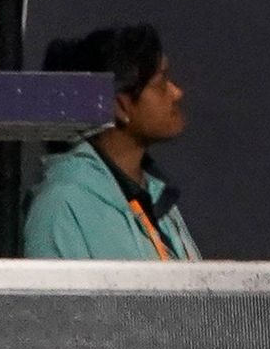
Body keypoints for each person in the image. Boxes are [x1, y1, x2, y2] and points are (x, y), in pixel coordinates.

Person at [22, 25, 197, 260]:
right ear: (120, 106)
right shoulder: (61, 207)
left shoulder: (157, 198)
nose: (176, 93)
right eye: (161, 82)